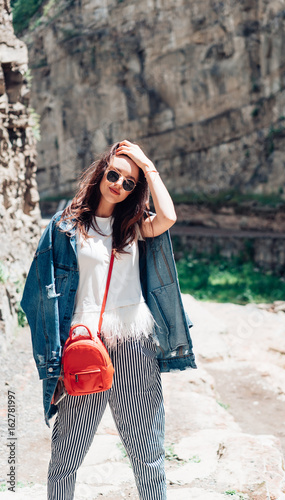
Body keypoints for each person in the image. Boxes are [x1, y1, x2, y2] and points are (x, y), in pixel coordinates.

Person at [21, 140, 196, 500]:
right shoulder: (65, 226)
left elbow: (169, 217)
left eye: (129, 181)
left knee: (147, 452)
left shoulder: (133, 226)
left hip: (133, 341)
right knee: (65, 453)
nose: (118, 183)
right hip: (83, 345)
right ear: (102, 172)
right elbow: (38, 294)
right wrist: (52, 358)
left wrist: (148, 166)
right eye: (114, 174)